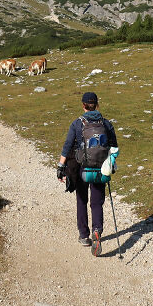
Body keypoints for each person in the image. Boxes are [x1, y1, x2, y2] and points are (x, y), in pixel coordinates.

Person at [57, 91, 118, 256]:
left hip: (81, 167)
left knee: (82, 199)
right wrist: (111, 165)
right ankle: (97, 230)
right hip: (100, 168)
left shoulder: (77, 124)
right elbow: (114, 148)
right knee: (97, 203)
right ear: (97, 104)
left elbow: (67, 146)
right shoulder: (106, 124)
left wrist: (61, 167)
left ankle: (84, 236)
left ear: (83, 105)